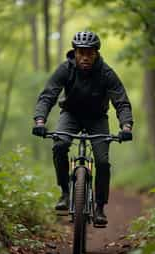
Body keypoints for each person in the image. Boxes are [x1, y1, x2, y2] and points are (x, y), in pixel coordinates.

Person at [32, 31, 133, 226]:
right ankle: (65, 192)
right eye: (81, 52)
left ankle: (100, 207)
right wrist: (39, 121)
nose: (85, 57)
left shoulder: (106, 73)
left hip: (97, 118)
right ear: (75, 53)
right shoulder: (65, 69)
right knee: (60, 145)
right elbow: (48, 95)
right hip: (71, 114)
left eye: (89, 53)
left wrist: (126, 125)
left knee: (102, 161)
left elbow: (121, 101)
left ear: (96, 54)